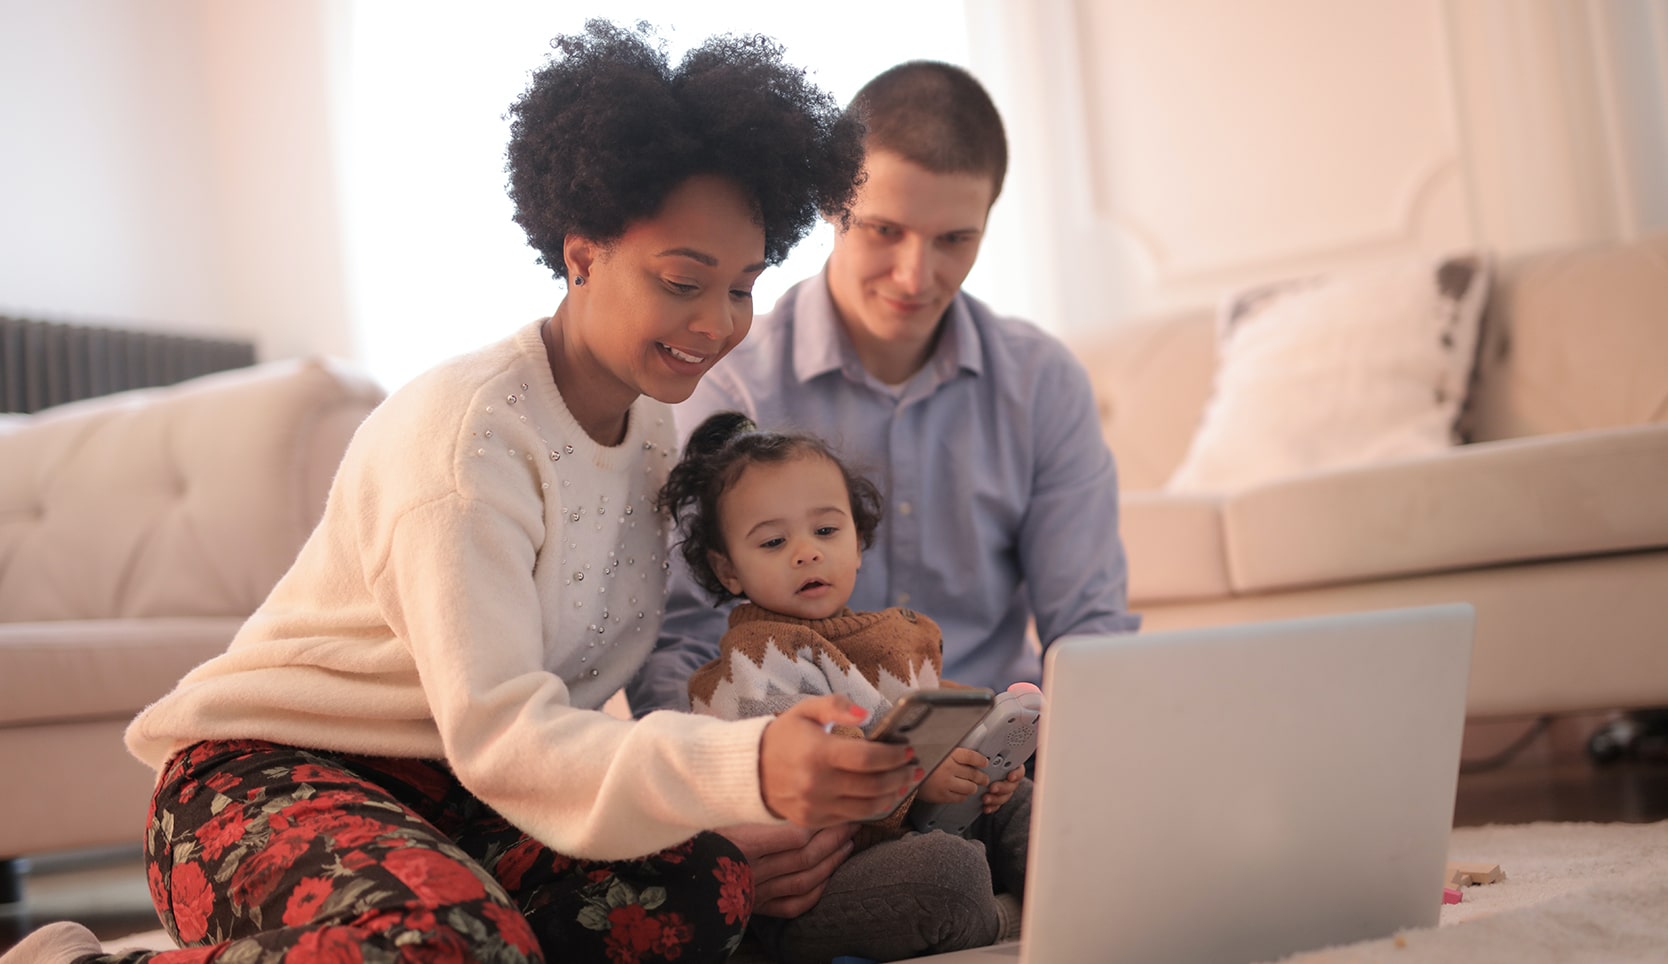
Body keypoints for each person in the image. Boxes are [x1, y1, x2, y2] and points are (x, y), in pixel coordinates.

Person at [1, 21, 900, 964]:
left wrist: (728, 796)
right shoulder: (472, 437)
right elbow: (509, 736)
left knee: (698, 885)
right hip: (262, 781)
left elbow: (565, 724)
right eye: (684, 281)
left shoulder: (649, 430)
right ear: (582, 252)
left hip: (462, 795)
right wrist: (744, 769)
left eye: (744, 289)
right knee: (438, 943)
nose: (718, 325)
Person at [627, 59, 1140, 921]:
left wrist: (1101, 770)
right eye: (884, 230)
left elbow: (1088, 632)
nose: (915, 276)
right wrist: (726, 805)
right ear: (832, 208)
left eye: (954, 241)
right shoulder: (730, 382)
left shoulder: (1041, 382)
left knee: (1128, 849)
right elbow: (676, 639)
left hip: (996, 766)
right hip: (813, 783)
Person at [659, 411, 1031, 963]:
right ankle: (1008, 918)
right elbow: (819, 761)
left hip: (925, 829)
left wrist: (990, 762)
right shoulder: (754, 661)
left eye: (826, 531)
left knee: (1033, 807)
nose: (806, 551)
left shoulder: (897, 633)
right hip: (822, 884)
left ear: (858, 543)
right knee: (946, 876)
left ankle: (1078, 892)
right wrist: (919, 778)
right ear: (729, 570)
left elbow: (941, 708)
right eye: (773, 541)